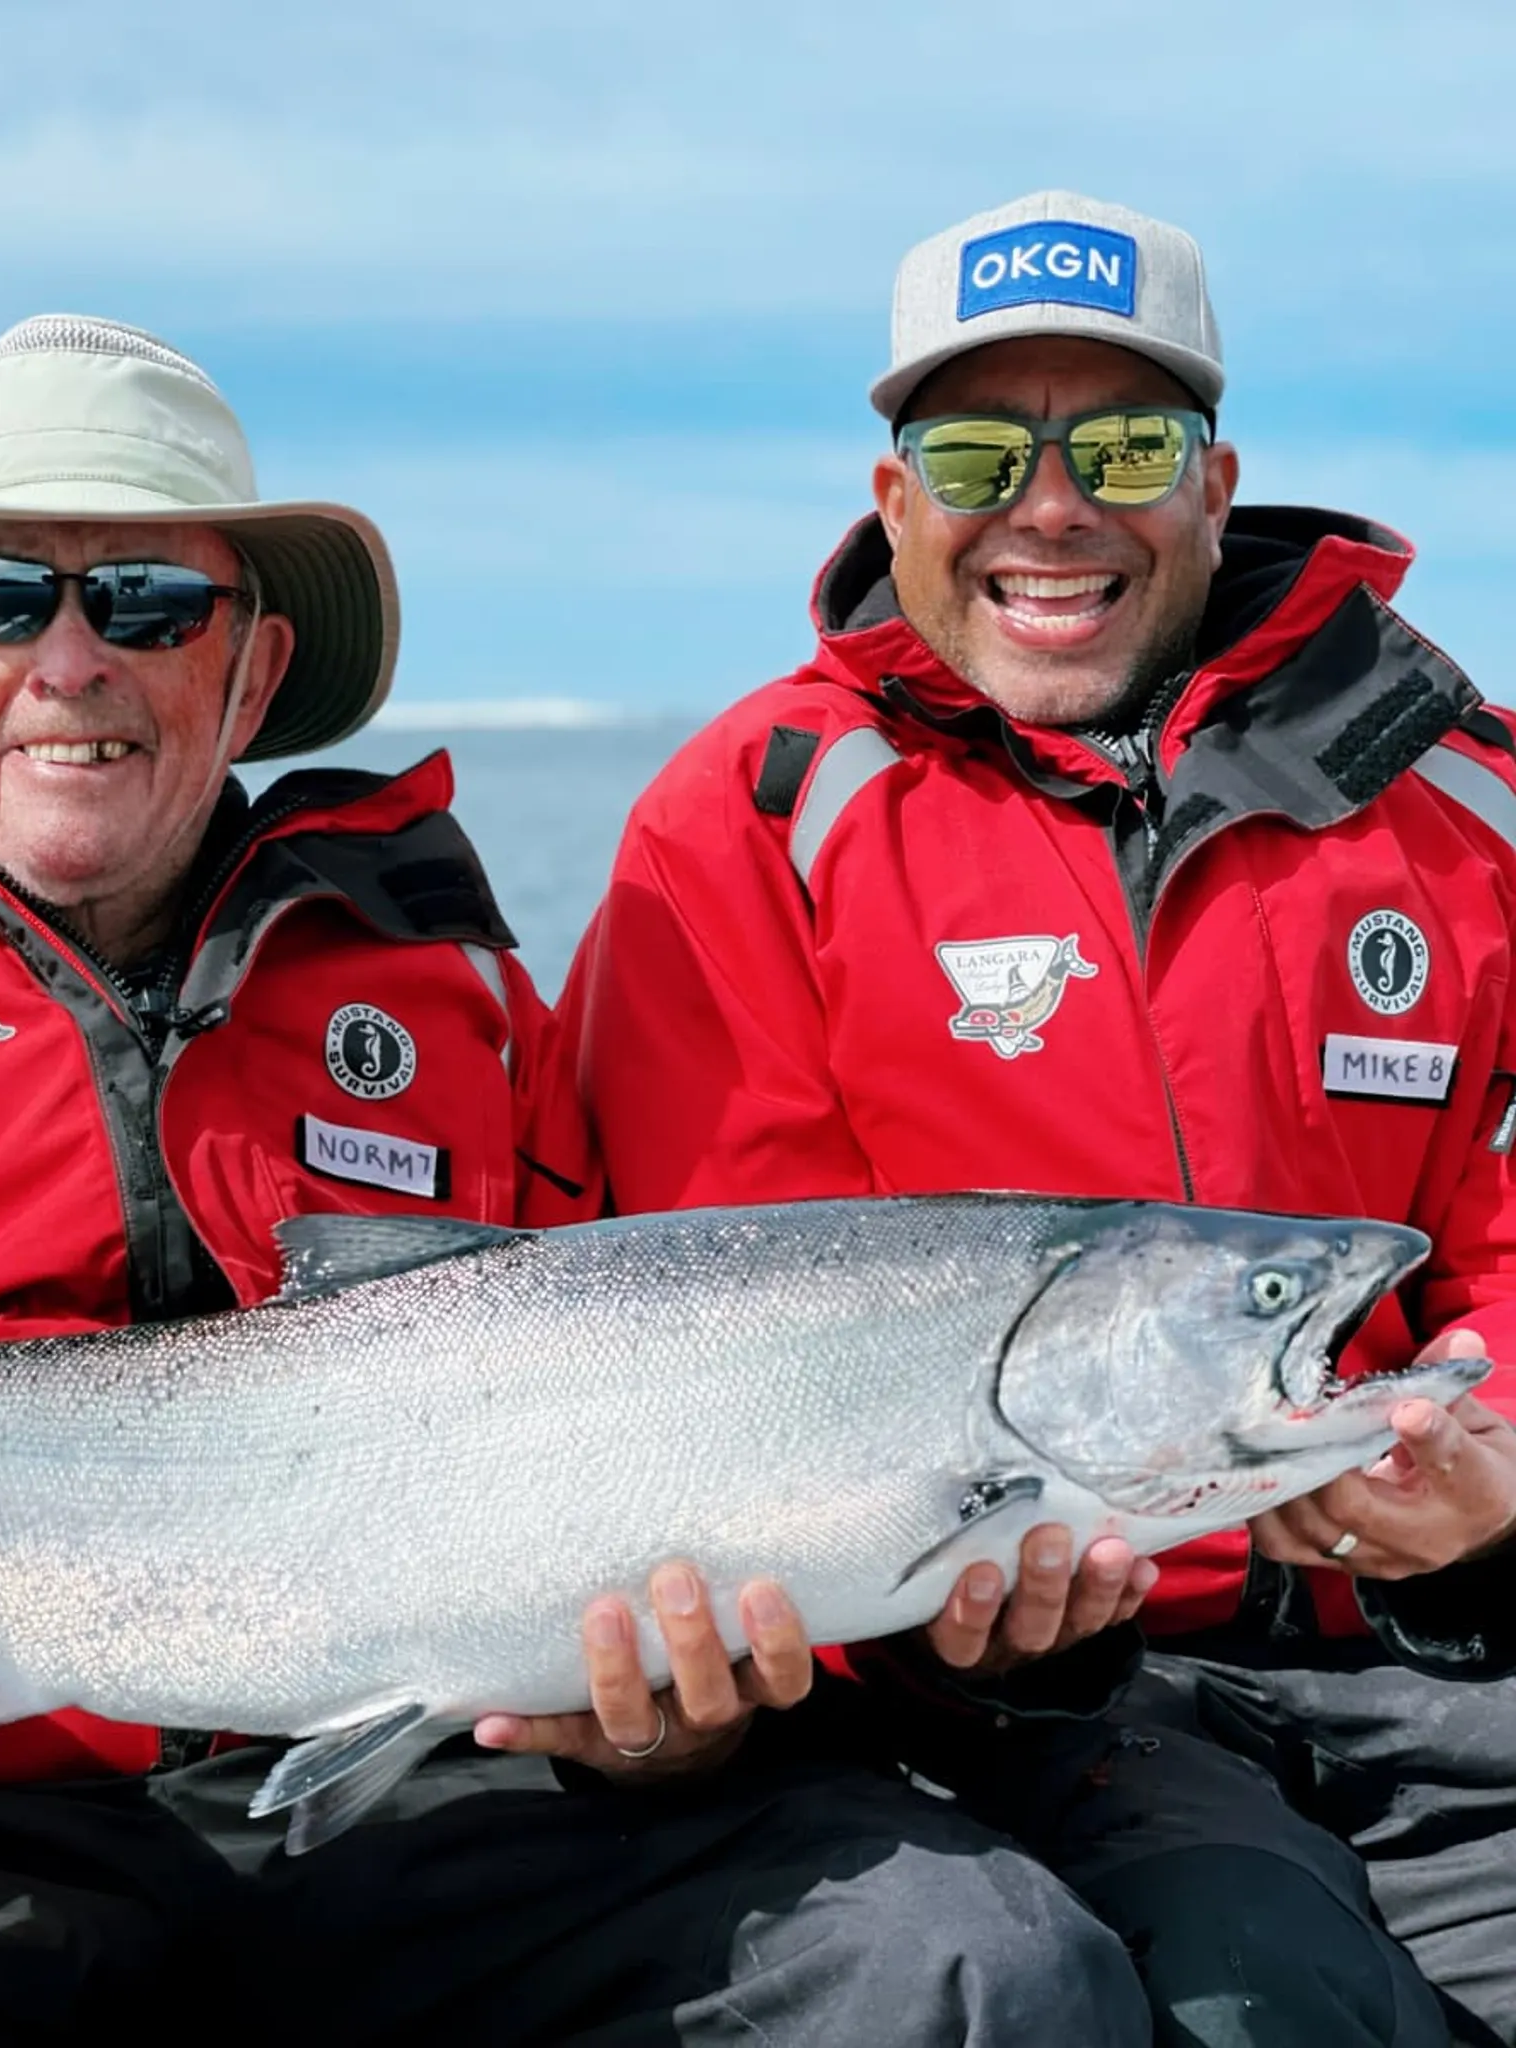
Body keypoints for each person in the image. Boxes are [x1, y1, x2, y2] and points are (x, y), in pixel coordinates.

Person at [0, 315, 1157, 2045]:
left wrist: (678, 1718)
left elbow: (691, 1458)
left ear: (253, 673)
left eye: (144, 602)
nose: (69, 660)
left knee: (970, 1973)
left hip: (436, 1808)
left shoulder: (467, 1009)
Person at [563, 189, 1516, 2045]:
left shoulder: (1467, 797)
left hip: (1461, 1637)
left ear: (1217, 482)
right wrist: (931, 1618)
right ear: (899, 492)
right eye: (981, 448)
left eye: (1127, 445)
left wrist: (1498, 1478)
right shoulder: (755, 814)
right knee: (1269, 1993)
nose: (1053, 505)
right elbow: (715, 1312)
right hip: (1041, 1697)